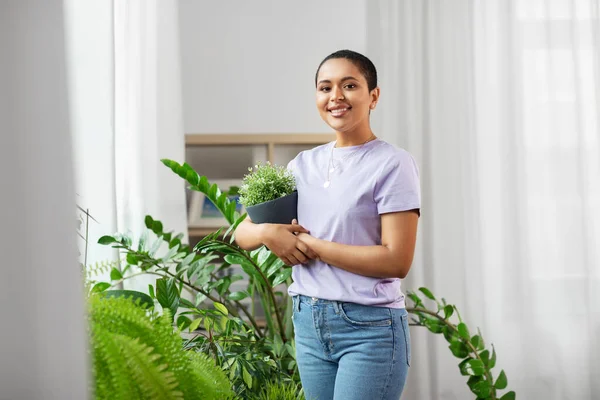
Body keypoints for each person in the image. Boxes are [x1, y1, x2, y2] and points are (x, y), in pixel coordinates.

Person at [235, 49, 421, 400]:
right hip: (308, 322)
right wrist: (267, 232)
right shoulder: (302, 165)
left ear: (373, 96)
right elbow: (241, 232)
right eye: (325, 88)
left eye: (349, 85)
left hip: (369, 329)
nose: (336, 96)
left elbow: (397, 261)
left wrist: (312, 247)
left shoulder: (393, 164)